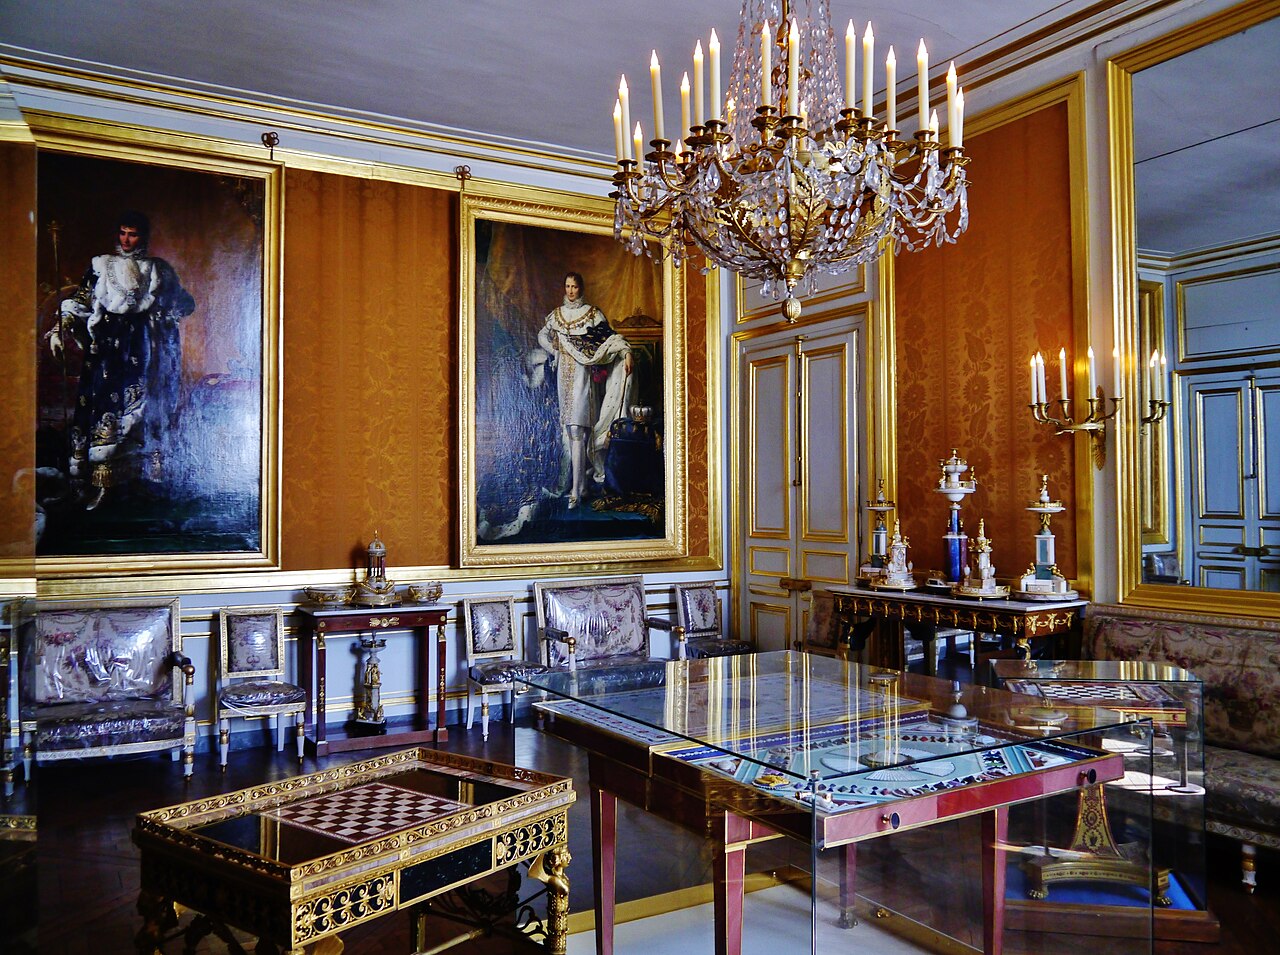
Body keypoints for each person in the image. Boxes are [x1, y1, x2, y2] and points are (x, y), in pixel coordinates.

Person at [48, 211, 195, 509]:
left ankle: (141, 483)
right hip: (106, 347)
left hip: (142, 347)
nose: (127, 240)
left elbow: (183, 303)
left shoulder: (158, 269)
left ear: (144, 237)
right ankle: (98, 483)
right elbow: (79, 301)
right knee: (103, 407)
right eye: (123, 233)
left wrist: (161, 319)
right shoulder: (101, 266)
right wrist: (59, 328)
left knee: (142, 408)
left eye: (134, 234)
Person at [534, 272, 633, 508]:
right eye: (567, 286)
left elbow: (610, 338)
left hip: (583, 378)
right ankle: (581, 486)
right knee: (571, 430)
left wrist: (626, 352)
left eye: (574, 287)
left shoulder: (592, 314)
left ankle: (577, 491)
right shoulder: (557, 315)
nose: (570, 291)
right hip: (563, 379)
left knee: (578, 429)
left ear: (581, 288)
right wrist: (555, 350)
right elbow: (542, 335)